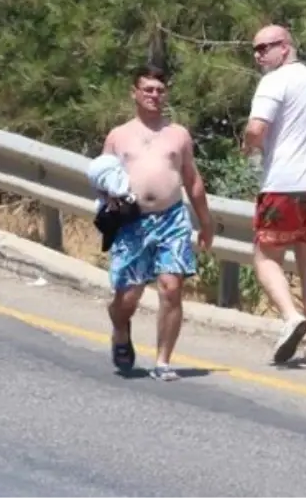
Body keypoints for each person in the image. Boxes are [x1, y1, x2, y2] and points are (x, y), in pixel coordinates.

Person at [101, 64, 214, 382]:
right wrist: (108, 201)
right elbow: (102, 178)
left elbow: (192, 180)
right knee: (128, 298)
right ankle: (120, 329)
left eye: (159, 90)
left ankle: (163, 361)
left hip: (172, 220)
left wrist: (206, 222)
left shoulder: (177, 135)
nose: (154, 95)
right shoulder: (118, 136)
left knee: (171, 288)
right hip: (132, 222)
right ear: (134, 93)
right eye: (148, 89)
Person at [243, 24, 306, 366]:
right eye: (255, 49)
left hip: (284, 184)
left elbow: (257, 129)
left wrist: (247, 147)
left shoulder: (274, 81)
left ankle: (290, 317)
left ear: (285, 47)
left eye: (264, 48)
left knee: (265, 256)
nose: (258, 55)